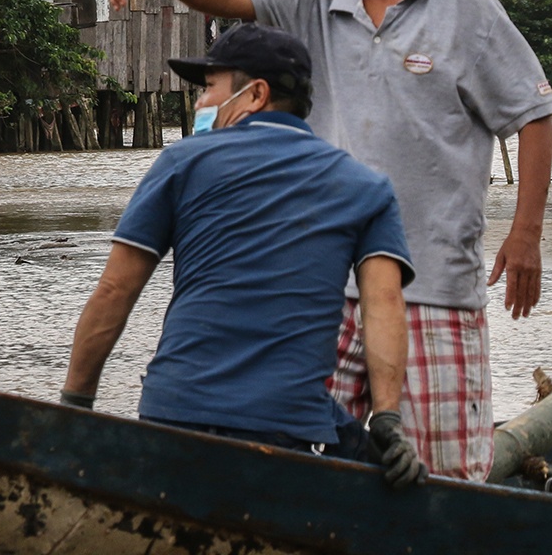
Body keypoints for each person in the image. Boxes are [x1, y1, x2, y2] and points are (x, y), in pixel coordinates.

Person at [95, 0, 552, 481]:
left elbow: (532, 115)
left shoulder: (465, 3)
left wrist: (526, 233)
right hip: (325, 295)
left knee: (440, 478)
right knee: (300, 473)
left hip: (434, 289)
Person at [60, 24, 427, 489]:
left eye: (209, 87)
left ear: (255, 94)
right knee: (364, 454)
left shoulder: (183, 162)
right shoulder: (365, 186)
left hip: (175, 414)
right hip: (288, 429)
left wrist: (75, 405)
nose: (199, 103)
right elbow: (384, 305)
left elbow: (116, 289)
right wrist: (387, 420)